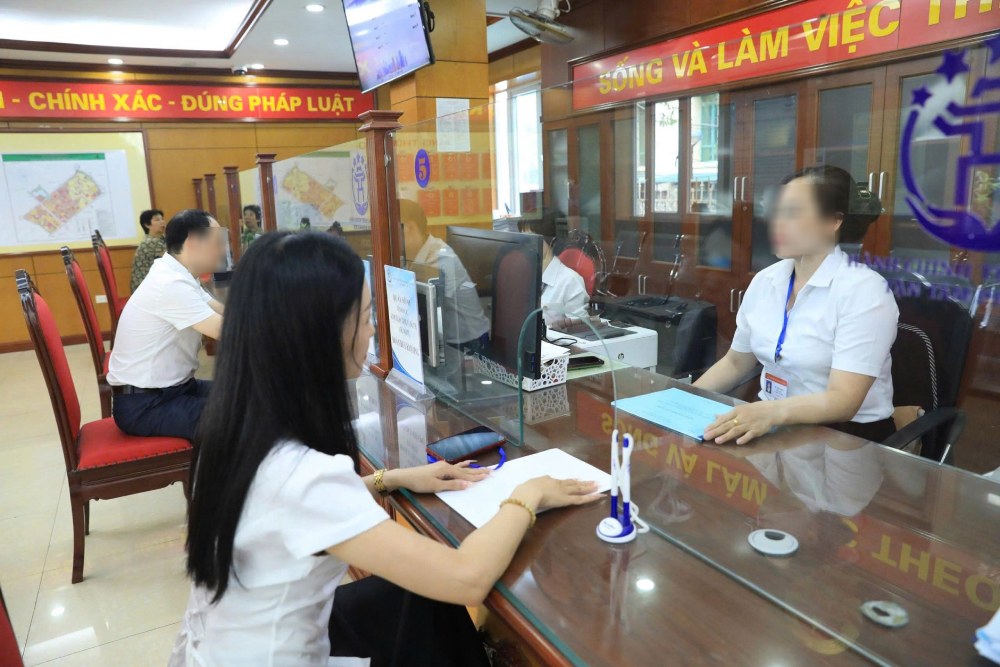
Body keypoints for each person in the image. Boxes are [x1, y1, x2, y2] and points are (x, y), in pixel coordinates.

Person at [171, 231, 600, 666]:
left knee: (424, 601)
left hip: (221, 649)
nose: (374, 329)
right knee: (442, 593)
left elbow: (287, 509)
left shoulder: (234, 426)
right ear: (319, 334)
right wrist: (527, 495)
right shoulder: (299, 474)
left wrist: (391, 478)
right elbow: (466, 578)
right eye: (366, 316)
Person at [694, 165, 898, 445]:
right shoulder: (766, 281)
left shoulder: (864, 291)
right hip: (772, 425)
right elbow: (735, 362)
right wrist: (680, 398)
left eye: (792, 212)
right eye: (777, 211)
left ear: (833, 221)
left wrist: (770, 413)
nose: (778, 222)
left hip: (844, 439)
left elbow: (844, 400)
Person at [107, 209, 227, 441]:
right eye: (217, 242)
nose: (222, 250)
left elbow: (220, 311)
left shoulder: (178, 274)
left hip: (175, 389)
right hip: (146, 405)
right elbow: (226, 330)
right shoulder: (170, 283)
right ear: (193, 242)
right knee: (246, 417)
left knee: (249, 398)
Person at [399, 199, 490, 351]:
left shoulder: (441, 257)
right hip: (445, 340)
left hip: (469, 344)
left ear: (411, 228)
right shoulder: (411, 254)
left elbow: (411, 304)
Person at [521, 214, 589, 326]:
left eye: (531, 238)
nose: (525, 244)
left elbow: (580, 330)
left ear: (552, 241)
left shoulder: (570, 280)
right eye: (522, 238)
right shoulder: (523, 275)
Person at [130, 208, 167, 292]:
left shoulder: (159, 239)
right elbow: (175, 261)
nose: (162, 222)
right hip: (146, 290)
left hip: (153, 285)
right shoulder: (151, 242)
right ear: (147, 224)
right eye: (157, 220)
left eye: (162, 219)